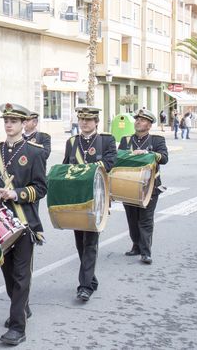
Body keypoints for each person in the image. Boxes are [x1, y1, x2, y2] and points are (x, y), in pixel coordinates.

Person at [0, 103, 47, 346]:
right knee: (7, 272)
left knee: (21, 273)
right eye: (6, 120)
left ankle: (17, 326)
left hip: (23, 223)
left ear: (24, 123)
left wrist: (16, 194)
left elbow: (41, 188)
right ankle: (21, 306)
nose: (9, 124)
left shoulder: (34, 152)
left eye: (14, 121)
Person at [62, 106, 116, 302]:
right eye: (81, 119)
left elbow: (110, 163)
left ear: (96, 122)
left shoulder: (106, 141)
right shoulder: (72, 142)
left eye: (88, 120)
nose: (84, 123)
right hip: (77, 199)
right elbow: (65, 168)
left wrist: (88, 169)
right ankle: (90, 279)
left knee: (90, 243)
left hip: (97, 198)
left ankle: (84, 287)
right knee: (80, 243)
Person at [119, 109, 169, 264]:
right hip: (128, 185)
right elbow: (118, 159)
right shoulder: (126, 140)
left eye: (142, 120)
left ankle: (146, 252)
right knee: (132, 219)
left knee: (145, 220)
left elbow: (164, 158)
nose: (138, 122)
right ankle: (136, 245)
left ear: (149, 125)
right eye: (137, 119)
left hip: (150, 187)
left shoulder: (157, 140)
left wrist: (148, 153)